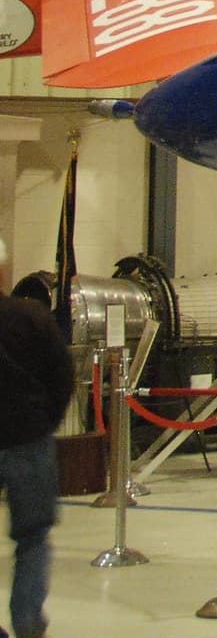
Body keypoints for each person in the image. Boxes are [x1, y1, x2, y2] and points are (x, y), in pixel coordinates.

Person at [0, 238, 73, 638]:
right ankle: (27, 621)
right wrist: (47, 422)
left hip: (26, 436)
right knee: (32, 538)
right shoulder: (30, 316)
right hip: (29, 441)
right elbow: (61, 374)